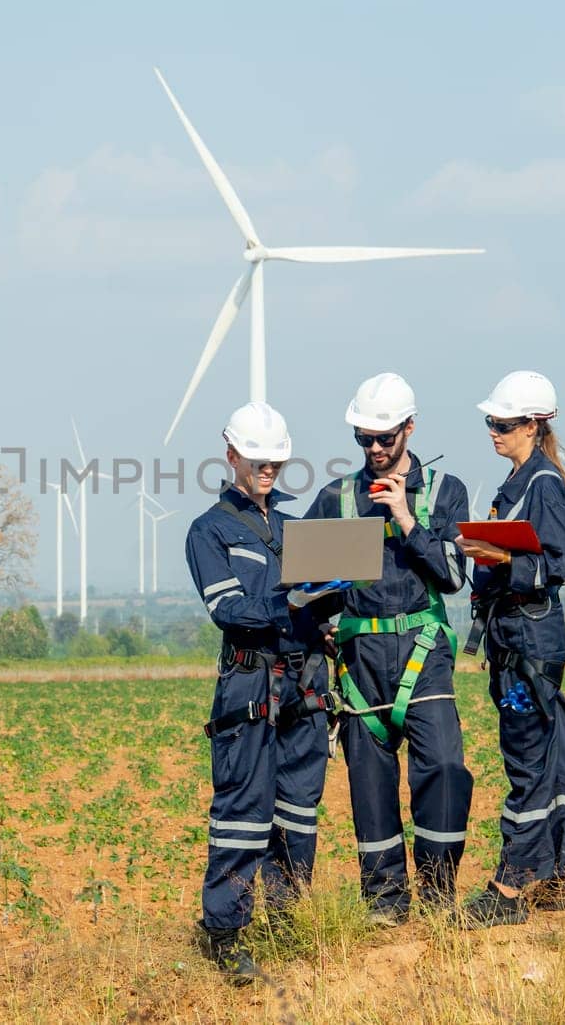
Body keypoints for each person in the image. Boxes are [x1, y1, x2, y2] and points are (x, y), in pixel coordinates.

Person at [303, 373, 473, 924]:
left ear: (410, 428)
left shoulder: (445, 491)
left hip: (425, 655)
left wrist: (404, 518)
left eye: (384, 438)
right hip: (360, 663)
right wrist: (319, 625)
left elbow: (452, 577)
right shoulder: (337, 496)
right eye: (363, 439)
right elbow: (303, 581)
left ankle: (439, 894)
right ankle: (384, 906)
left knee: (444, 768)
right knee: (369, 787)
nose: (374, 449)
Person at [184, 402, 340, 981]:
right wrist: (290, 601)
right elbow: (229, 610)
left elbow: (324, 601)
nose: (269, 469)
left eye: (276, 460)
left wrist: (330, 605)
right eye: (258, 460)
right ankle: (224, 933)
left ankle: (285, 922)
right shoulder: (209, 531)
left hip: (306, 682)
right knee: (243, 812)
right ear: (231, 456)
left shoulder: (301, 527)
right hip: (250, 681)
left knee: (299, 809)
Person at [454, 370, 565, 928]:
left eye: (503, 424)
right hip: (514, 640)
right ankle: (561, 876)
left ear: (533, 425)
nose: (493, 431)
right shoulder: (517, 484)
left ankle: (509, 891)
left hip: (530, 643)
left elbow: (560, 562)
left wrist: (503, 558)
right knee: (550, 759)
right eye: (490, 422)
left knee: (528, 762)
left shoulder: (544, 485)